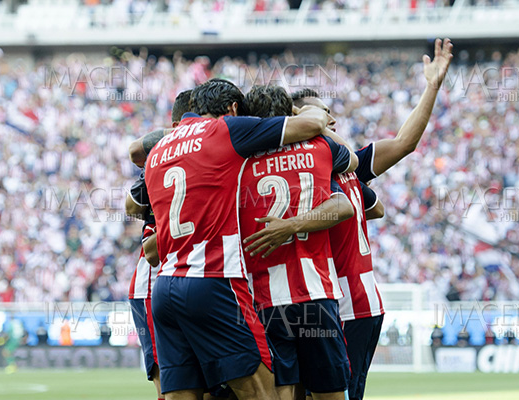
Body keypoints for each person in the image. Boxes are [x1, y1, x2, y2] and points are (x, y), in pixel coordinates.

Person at [137, 78, 332, 400]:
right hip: (213, 280)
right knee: (262, 393)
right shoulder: (224, 129)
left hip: (164, 287)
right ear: (232, 109)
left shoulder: (159, 149)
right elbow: (313, 124)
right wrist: (300, 111)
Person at [290, 38, 454, 400]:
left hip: (350, 306)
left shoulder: (345, 166)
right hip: (329, 304)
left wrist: (432, 86)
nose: (332, 119)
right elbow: (375, 208)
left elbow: (405, 142)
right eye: (321, 114)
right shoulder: (312, 171)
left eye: (330, 112)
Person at [240, 85, 357, 400]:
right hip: (316, 294)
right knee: (330, 392)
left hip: (264, 299)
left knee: (281, 392)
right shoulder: (320, 148)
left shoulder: (237, 162)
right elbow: (350, 173)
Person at [125, 90, 192, 400]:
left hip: (195, 278)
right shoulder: (162, 157)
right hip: (155, 283)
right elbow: (131, 206)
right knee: (169, 383)